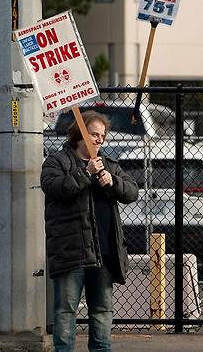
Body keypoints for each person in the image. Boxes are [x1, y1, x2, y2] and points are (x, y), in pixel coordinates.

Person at [41, 110, 138, 352]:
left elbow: (132, 192)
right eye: (93, 134)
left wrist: (113, 182)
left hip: (103, 252)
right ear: (79, 134)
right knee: (65, 310)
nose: (99, 140)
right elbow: (55, 188)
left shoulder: (110, 165)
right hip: (70, 249)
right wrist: (86, 174)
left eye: (102, 136)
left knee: (102, 310)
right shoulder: (57, 161)